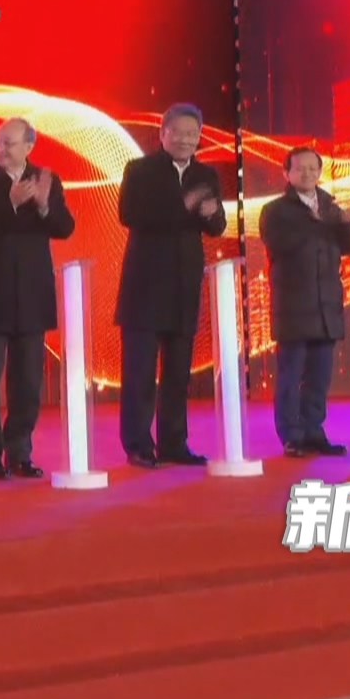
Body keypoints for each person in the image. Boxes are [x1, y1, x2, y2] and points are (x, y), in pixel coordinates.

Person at [0, 118, 75, 479]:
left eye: (8, 143)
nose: (0, 149)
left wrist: (43, 206)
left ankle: (20, 452)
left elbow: (65, 228)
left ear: (29, 146)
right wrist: (9, 203)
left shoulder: (46, 180)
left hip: (31, 295)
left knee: (27, 383)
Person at [116, 102, 225, 469]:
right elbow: (130, 214)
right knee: (140, 373)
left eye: (192, 134)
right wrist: (184, 206)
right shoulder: (140, 170)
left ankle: (174, 443)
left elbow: (217, 226)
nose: (185, 140)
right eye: (177, 133)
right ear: (163, 134)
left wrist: (210, 214)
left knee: (178, 373)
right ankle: (138, 444)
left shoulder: (206, 174)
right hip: (145, 286)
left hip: (184, 285)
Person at [260, 147, 350, 457]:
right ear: (287, 173)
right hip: (293, 305)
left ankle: (313, 431)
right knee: (291, 375)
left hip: (326, 305)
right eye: (300, 168)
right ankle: (292, 435)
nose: (307, 173)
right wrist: (320, 224)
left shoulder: (330, 207)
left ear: (319, 172)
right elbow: (281, 242)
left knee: (319, 377)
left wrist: (342, 223)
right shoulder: (276, 211)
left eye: (312, 168)